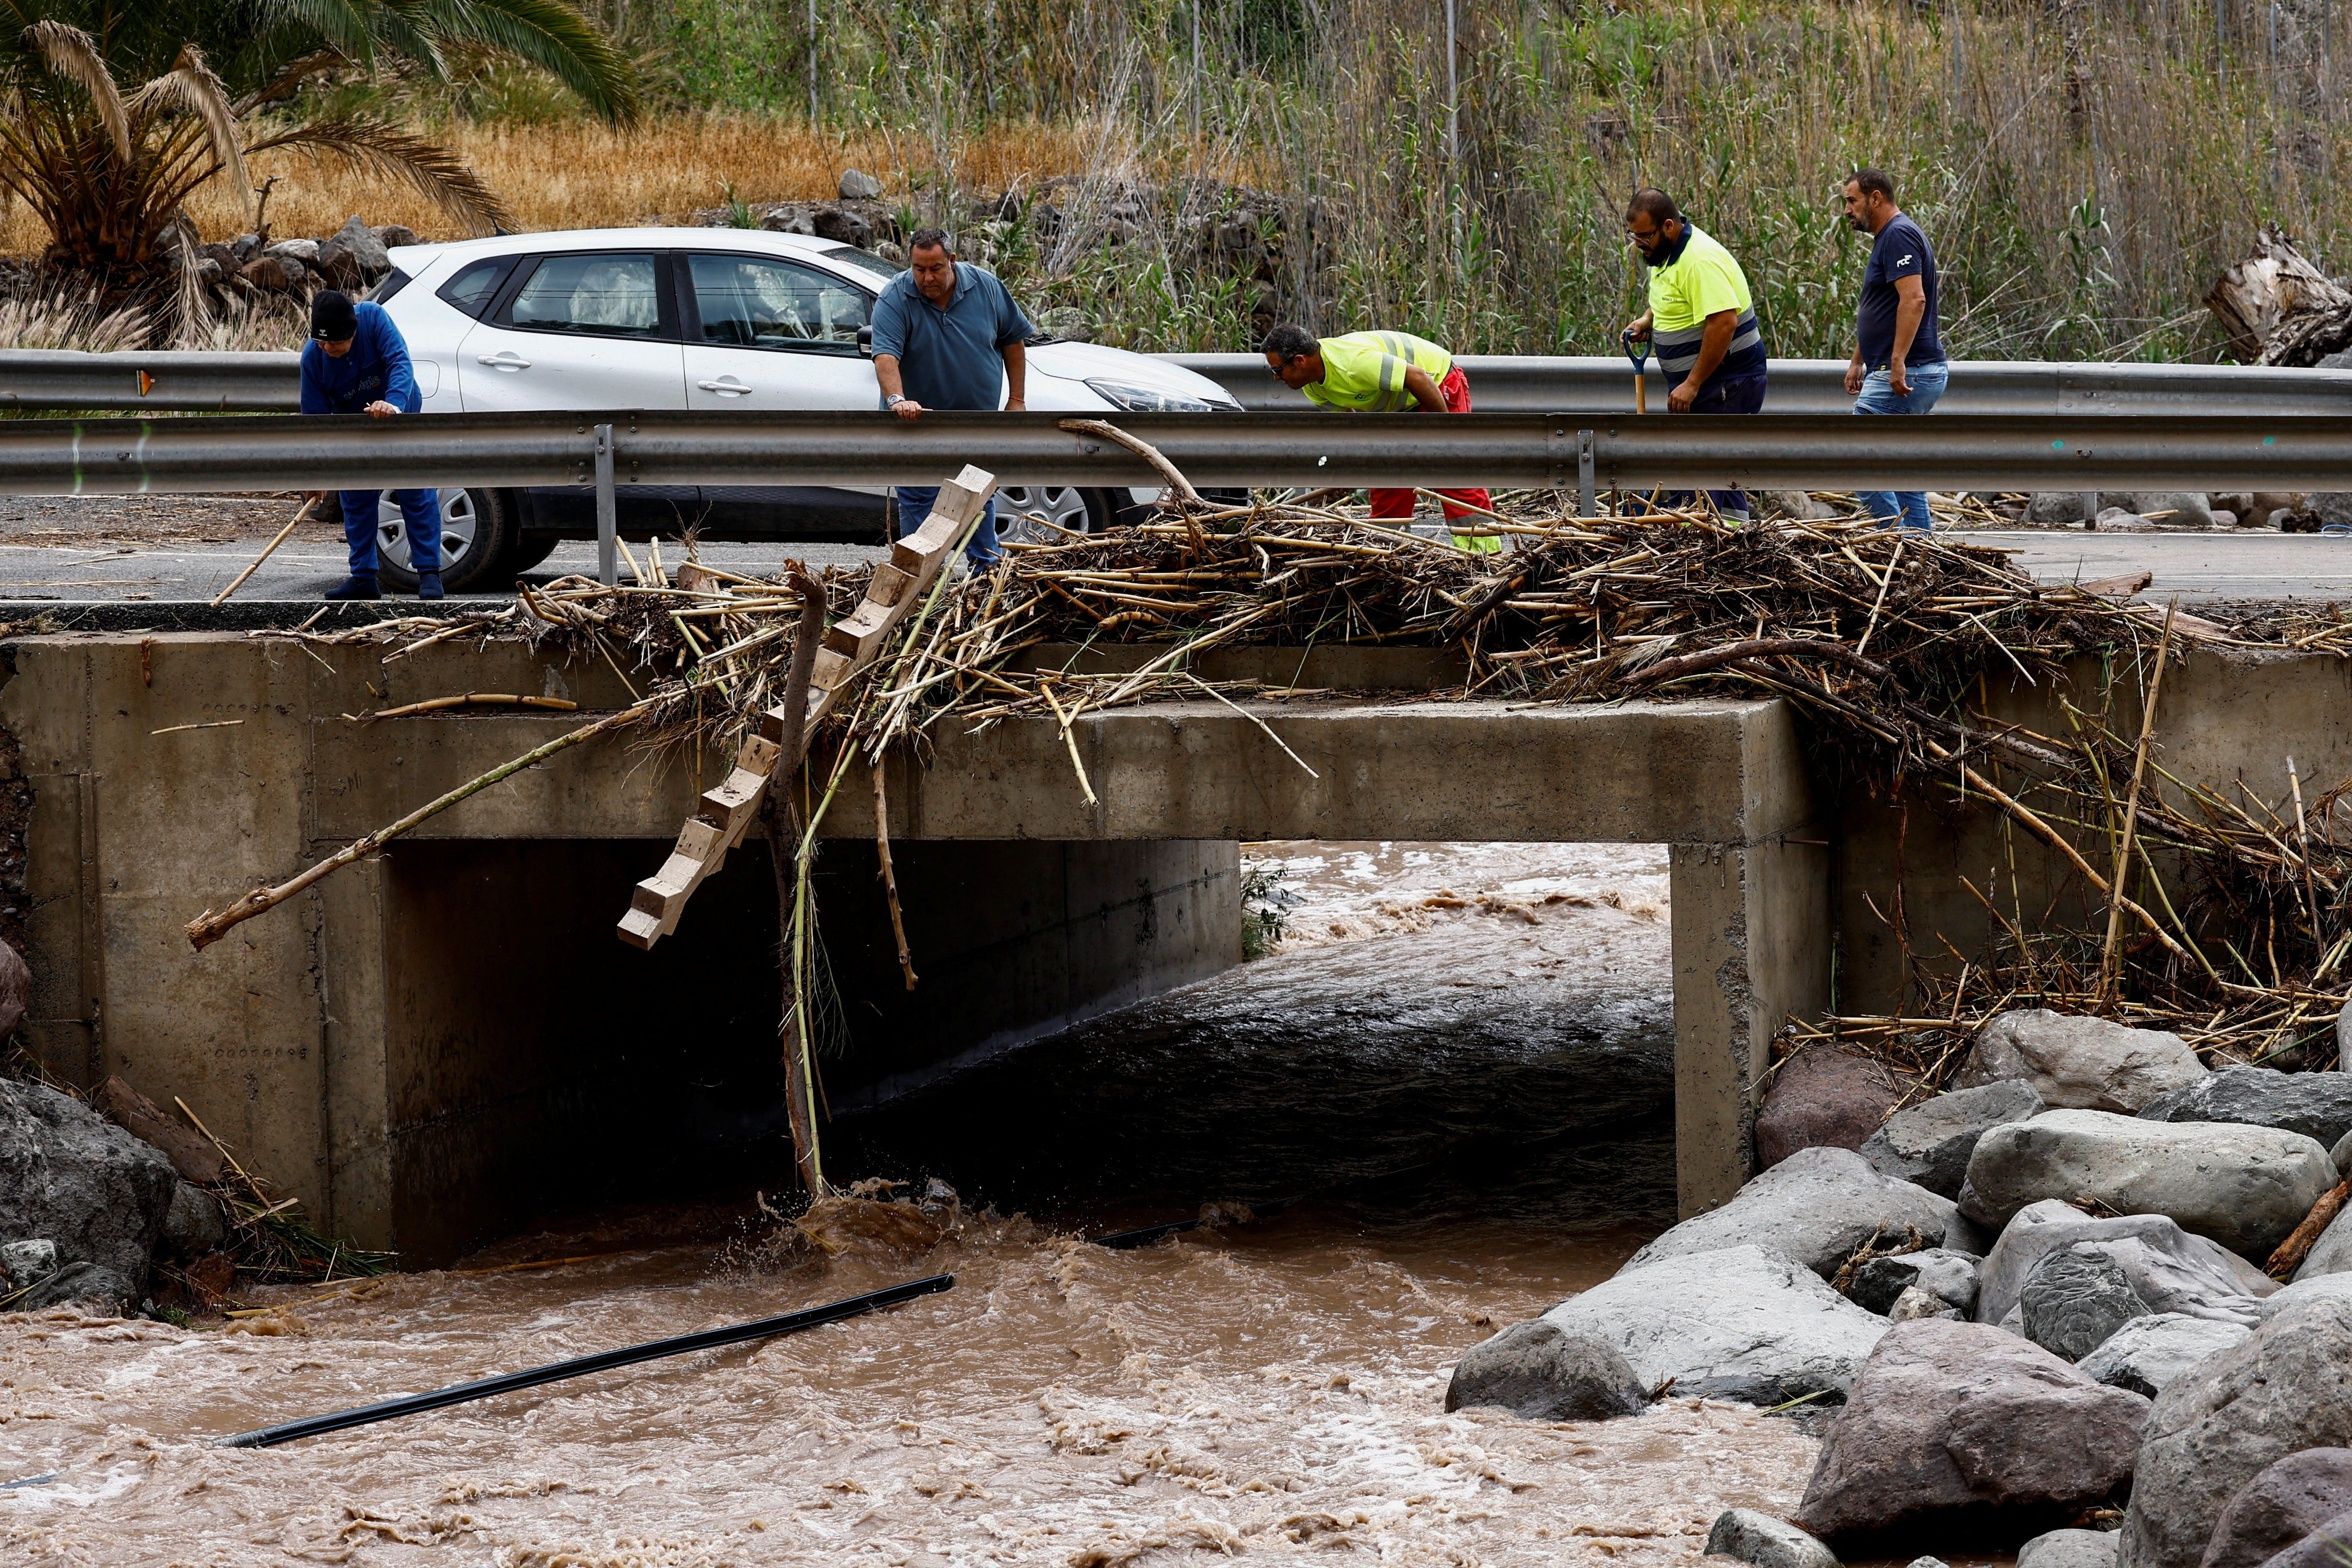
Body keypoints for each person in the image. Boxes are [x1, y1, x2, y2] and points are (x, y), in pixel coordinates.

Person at [870, 227, 1033, 569]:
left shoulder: (986, 287)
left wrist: (1016, 399)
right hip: (916, 424)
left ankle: (984, 579)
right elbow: (885, 356)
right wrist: (898, 399)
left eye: (936, 268)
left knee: (977, 500)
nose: (927, 277)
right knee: (920, 505)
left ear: (952, 261)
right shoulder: (895, 296)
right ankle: (917, 583)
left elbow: (1013, 341)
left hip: (975, 423)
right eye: (919, 269)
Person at [1259, 323, 1499, 552]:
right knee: (1386, 477)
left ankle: (1484, 557)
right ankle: (1390, 556)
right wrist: (1351, 468)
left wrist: (1447, 436)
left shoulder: (1352, 364)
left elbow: (1418, 378)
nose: (1276, 379)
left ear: (1300, 361)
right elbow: (1353, 428)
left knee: (1451, 473)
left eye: (1278, 370)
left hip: (1436, 384)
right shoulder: (1312, 385)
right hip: (1396, 409)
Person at [1619, 188, 1768, 524]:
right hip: (1708, 386)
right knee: (1715, 476)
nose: (1637, 243)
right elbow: (1675, 297)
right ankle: (1734, 543)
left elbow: (1723, 322)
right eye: (1633, 235)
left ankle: (1708, 555)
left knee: (1702, 478)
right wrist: (1649, 319)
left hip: (1725, 383)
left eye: (1643, 235)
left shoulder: (1699, 260)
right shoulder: (1667, 255)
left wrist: (1692, 383)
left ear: (1669, 226)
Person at [301, 289, 442, 601]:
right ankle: (363, 578)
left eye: (335, 342)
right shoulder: (314, 357)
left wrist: (392, 405)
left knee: (414, 492)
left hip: (399, 413)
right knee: (357, 497)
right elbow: (315, 423)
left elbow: (400, 363)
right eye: (321, 342)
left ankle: (430, 575)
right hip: (355, 428)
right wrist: (315, 475)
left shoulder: (374, 319)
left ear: (353, 332)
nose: (327, 348)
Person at [1841, 167, 1948, 532]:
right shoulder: (1891, 237)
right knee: (1901, 468)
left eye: (1851, 201)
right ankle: (1921, 549)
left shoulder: (1898, 235)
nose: (1847, 211)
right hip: (1903, 367)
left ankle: (1899, 540)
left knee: (1855, 459)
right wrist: (1859, 360)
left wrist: (1896, 362)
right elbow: (1884, 310)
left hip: (1905, 370)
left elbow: (1914, 300)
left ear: (1876, 198)